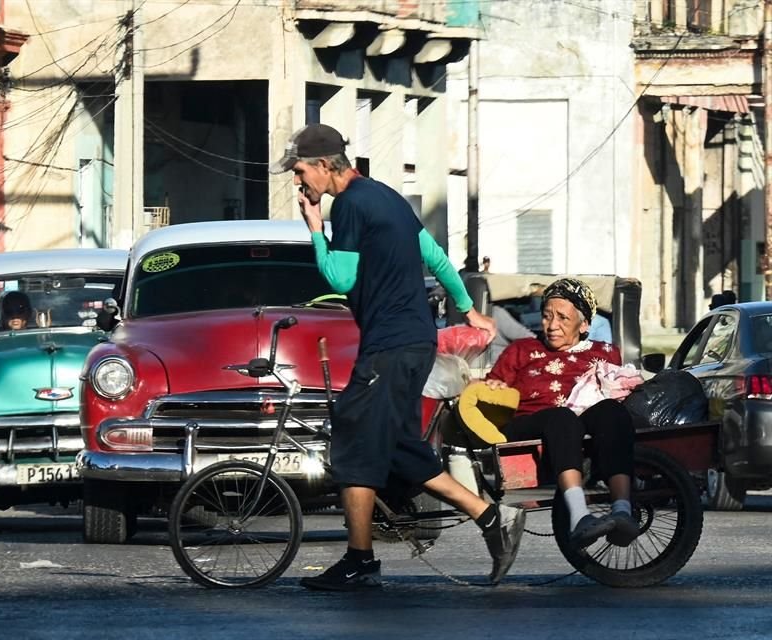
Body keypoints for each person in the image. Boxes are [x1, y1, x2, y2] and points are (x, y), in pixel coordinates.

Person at [270, 123, 524, 591]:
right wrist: (469, 311)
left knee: (352, 438)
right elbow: (436, 256)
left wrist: (314, 228)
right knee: (398, 448)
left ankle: (360, 559)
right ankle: (491, 517)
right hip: (414, 343)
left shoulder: (347, 205)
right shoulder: (386, 198)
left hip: (389, 344)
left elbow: (339, 280)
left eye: (301, 170)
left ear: (326, 165)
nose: (298, 181)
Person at [483, 278, 640, 549]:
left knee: (611, 411)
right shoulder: (521, 350)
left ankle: (623, 510)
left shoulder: (605, 353)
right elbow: (494, 385)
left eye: (563, 318)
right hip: (529, 424)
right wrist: (494, 387)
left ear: (585, 325)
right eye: (547, 316)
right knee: (562, 417)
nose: (552, 325)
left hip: (584, 427)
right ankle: (579, 517)